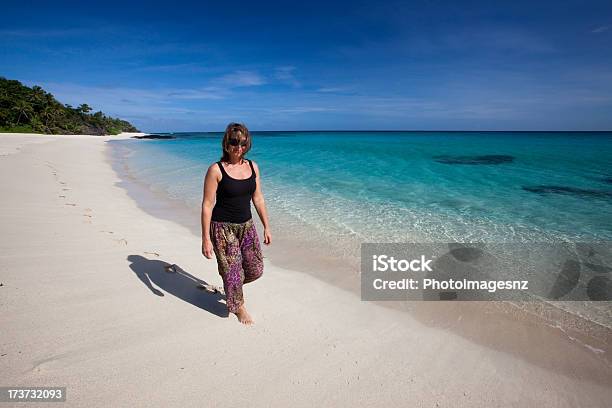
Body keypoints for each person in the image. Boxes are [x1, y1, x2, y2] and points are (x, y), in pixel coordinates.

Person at [201, 122, 271, 325]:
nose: (238, 147)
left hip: (247, 226)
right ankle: (238, 307)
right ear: (226, 143)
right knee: (233, 272)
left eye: (242, 142)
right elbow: (207, 205)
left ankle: (230, 280)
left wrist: (266, 226)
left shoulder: (252, 166)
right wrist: (206, 238)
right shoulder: (216, 169)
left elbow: (258, 198)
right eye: (234, 142)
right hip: (222, 227)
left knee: (255, 269)